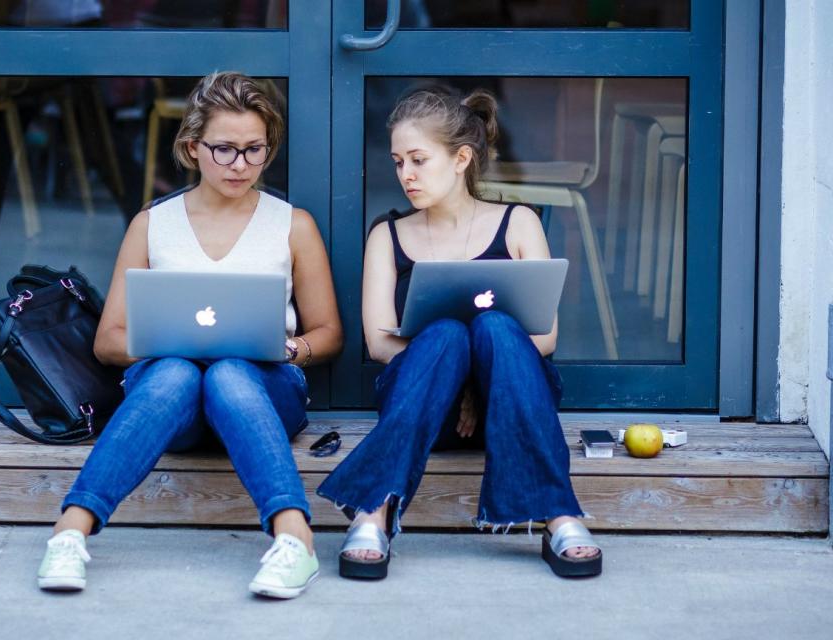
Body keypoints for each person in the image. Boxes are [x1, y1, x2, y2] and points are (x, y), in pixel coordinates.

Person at [36, 71, 343, 599]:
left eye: (255, 150)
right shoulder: (152, 224)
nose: (241, 165)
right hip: (169, 402)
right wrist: (175, 340)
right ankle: (70, 534)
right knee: (177, 372)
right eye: (224, 149)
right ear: (191, 147)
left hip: (264, 394)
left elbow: (329, 332)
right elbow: (109, 341)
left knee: (228, 372)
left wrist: (291, 347)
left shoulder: (293, 224)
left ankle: (296, 540)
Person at [316, 86, 602, 580]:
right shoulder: (388, 234)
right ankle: (373, 512)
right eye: (398, 161)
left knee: (495, 325)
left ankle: (560, 515)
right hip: (429, 404)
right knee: (446, 334)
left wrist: (476, 381)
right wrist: (456, 377)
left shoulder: (519, 223)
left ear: (461, 158)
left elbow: (546, 337)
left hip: (508, 402)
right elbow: (380, 343)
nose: (406, 174)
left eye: (419, 160)